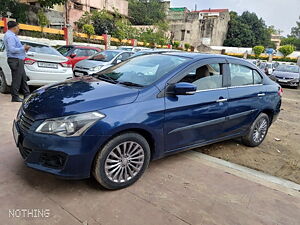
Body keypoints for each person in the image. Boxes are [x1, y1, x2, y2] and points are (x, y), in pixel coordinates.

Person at [3, 21, 31, 102]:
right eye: (18, 27)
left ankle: (27, 95)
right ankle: (15, 97)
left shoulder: (12, 36)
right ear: (14, 28)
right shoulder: (10, 36)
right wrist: (23, 48)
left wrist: (24, 48)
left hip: (18, 59)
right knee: (17, 79)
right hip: (15, 60)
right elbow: (12, 49)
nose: (18, 29)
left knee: (23, 78)